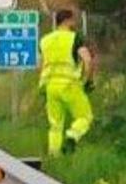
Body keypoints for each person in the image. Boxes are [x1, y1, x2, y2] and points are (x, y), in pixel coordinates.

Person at [38, 9, 95, 156]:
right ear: (67, 21)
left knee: (55, 125)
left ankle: (54, 155)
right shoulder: (74, 38)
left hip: (51, 86)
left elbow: (41, 64)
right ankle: (72, 137)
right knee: (85, 117)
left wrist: (42, 86)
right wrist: (88, 81)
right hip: (70, 85)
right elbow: (87, 60)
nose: (74, 23)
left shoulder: (45, 40)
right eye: (73, 20)